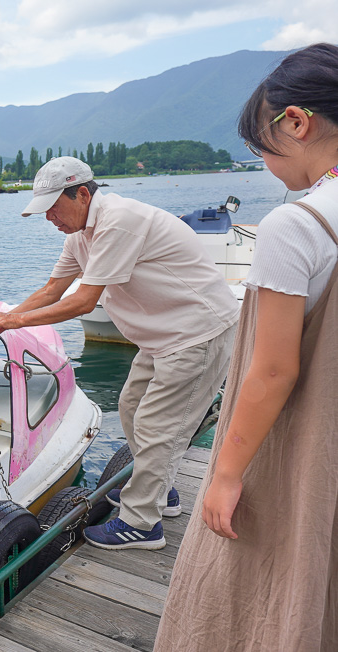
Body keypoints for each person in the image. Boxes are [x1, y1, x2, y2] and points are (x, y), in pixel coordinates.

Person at [155, 43, 338, 651]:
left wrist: (226, 474)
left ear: (297, 122)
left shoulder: (298, 223)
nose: (263, 162)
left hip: (309, 449)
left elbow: (274, 370)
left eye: (261, 146)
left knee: (265, 590)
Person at [0, 156, 238, 550]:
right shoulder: (79, 236)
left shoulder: (119, 220)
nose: (50, 219)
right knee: (131, 406)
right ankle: (158, 492)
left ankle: (141, 524)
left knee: (158, 426)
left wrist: (13, 323)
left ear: (82, 193)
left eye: (53, 208)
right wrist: (1, 318)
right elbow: (51, 290)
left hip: (197, 333)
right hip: (162, 335)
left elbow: (82, 302)